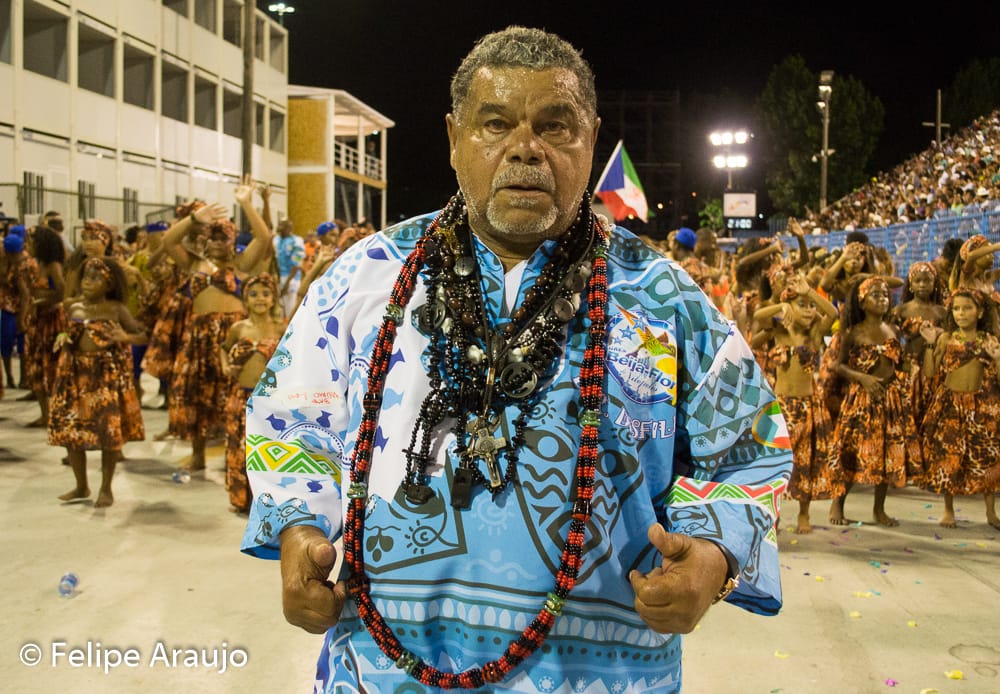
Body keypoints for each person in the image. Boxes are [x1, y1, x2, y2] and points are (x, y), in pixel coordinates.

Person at [240, 26, 791, 692]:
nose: (524, 148)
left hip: (606, 674)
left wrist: (714, 554)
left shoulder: (664, 298)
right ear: (452, 139)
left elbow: (750, 449)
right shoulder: (364, 277)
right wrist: (300, 528)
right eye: (494, 124)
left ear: (590, 140)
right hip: (384, 670)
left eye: (554, 127)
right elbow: (291, 419)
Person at [49, 257, 146, 508]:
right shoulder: (72, 305)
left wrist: (125, 336)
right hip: (74, 375)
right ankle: (81, 485)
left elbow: (142, 334)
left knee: (107, 433)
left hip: (105, 377)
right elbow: (66, 329)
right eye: (85, 277)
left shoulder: (116, 309)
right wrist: (62, 336)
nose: (88, 282)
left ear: (109, 284)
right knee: (72, 432)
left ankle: (106, 488)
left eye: (95, 278)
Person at [827, 276, 922, 527]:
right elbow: (838, 365)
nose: (882, 299)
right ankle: (838, 502)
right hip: (862, 400)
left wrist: (906, 369)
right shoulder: (853, 333)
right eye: (875, 295)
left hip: (890, 400)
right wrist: (863, 378)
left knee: (886, 456)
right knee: (852, 454)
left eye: (884, 295)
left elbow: (897, 362)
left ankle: (879, 509)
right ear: (862, 301)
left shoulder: (894, 330)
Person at [754, 273, 840, 533]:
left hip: (807, 405)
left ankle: (804, 513)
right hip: (780, 407)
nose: (809, 310)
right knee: (777, 462)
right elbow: (759, 316)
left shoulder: (814, 334)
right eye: (802, 305)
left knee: (806, 460)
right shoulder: (778, 332)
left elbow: (833, 313)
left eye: (811, 306)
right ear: (789, 305)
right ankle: (775, 513)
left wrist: (810, 292)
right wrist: (781, 306)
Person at [916, 288, 1000, 529]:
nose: (961, 313)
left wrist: (997, 358)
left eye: (967, 308)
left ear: (980, 311)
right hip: (950, 404)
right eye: (957, 309)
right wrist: (930, 346)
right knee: (948, 457)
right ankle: (948, 509)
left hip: (981, 406)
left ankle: (991, 511)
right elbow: (931, 373)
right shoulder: (945, 338)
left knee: (987, 458)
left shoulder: (989, 340)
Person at [219, 272, 283, 514]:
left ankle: (268, 497)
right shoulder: (238, 328)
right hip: (241, 397)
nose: (260, 299)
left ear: (274, 299)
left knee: (268, 448)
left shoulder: (280, 327)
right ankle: (242, 499)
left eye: (266, 294)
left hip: (270, 400)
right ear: (245, 298)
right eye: (254, 294)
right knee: (240, 449)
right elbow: (223, 349)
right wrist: (226, 365)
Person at [272, 218, 304, 319]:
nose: (280, 228)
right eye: (279, 225)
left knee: (291, 308)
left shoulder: (297, 241)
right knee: (279, 310)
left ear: (289, 228)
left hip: (292, 278)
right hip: (278, 276)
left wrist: (287, 283)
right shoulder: (276, 240)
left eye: (283, 226)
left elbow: (297, 264)